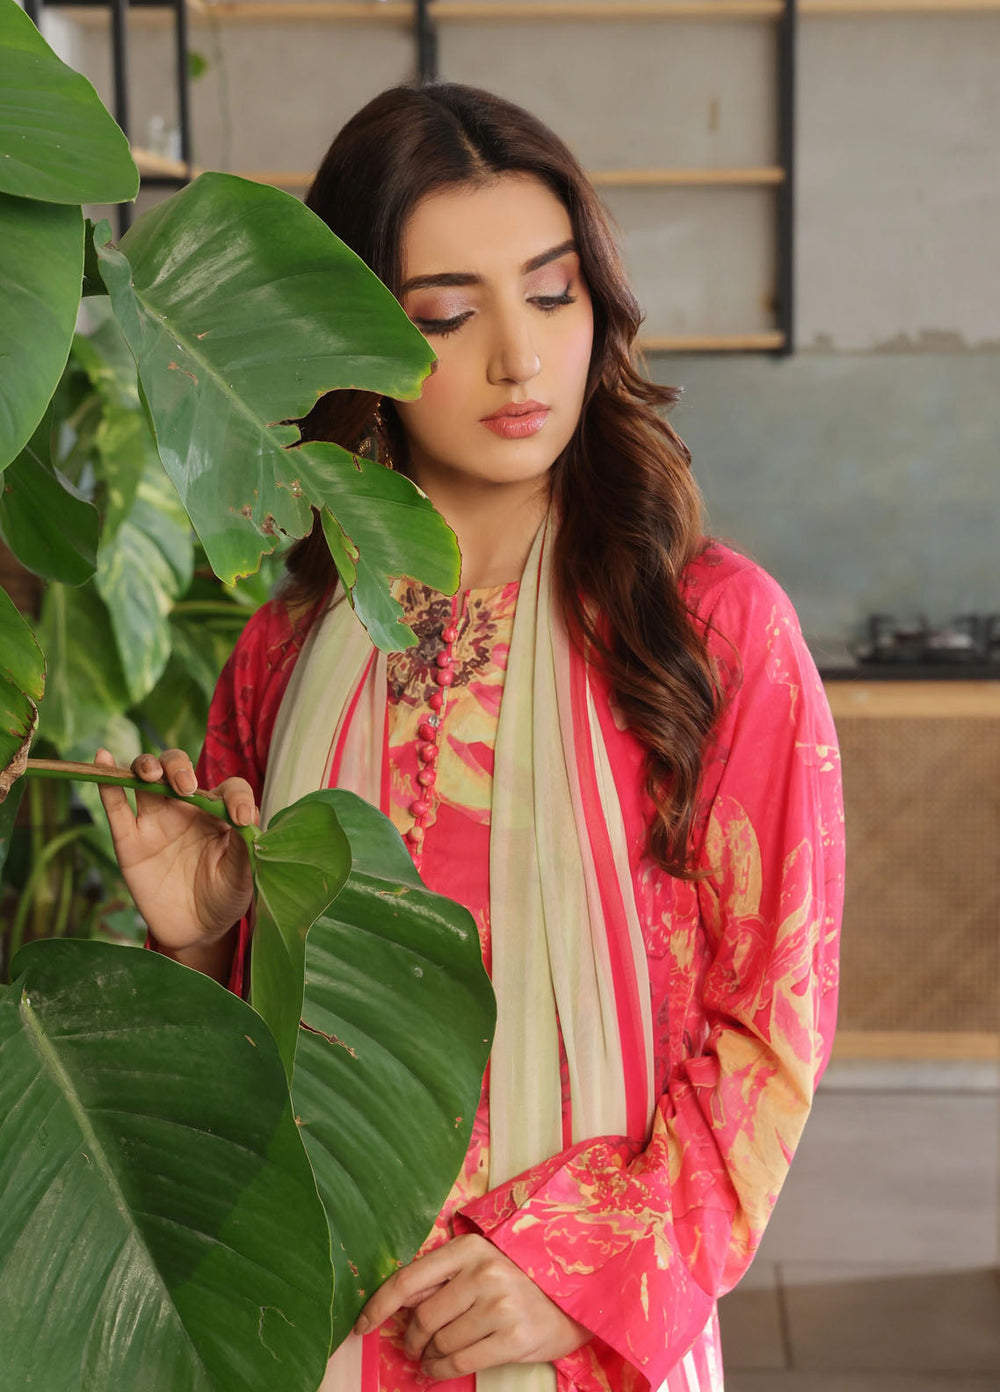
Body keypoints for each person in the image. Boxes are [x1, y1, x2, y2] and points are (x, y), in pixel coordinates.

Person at [97, 83, 844, 1392]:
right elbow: (249, 1080)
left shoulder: (709, 632)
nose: (520, 358)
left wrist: (573, 1270)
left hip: (573, 1341)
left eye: (551, 295)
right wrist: (203, 941)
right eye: (447, 314)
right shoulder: (285, 652)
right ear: (354, 340)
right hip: (315, 1327)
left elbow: (772, 1020)